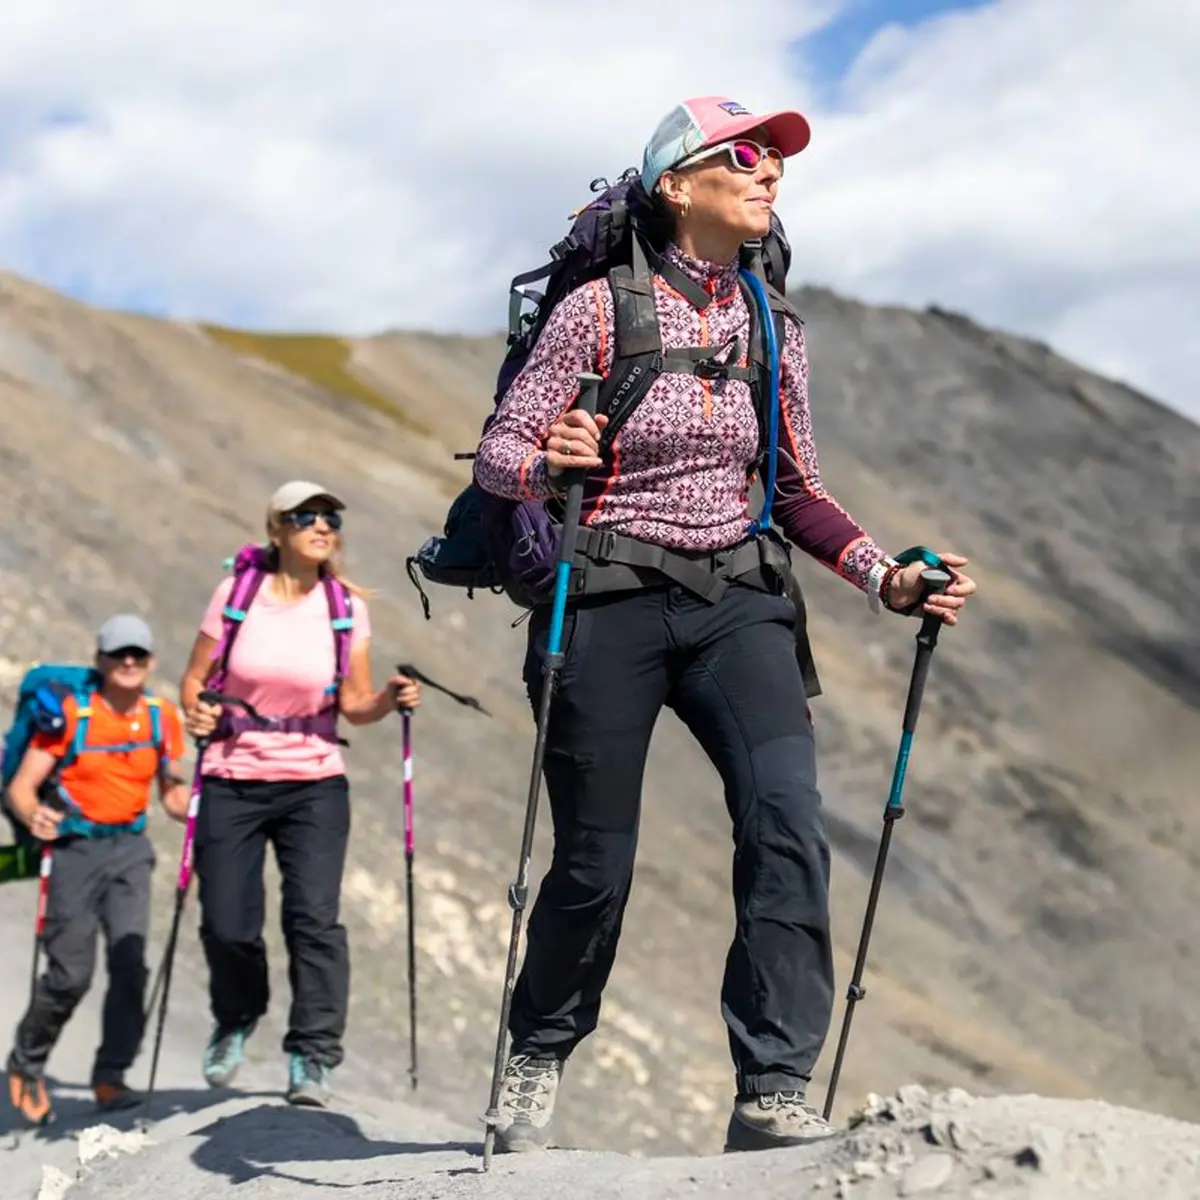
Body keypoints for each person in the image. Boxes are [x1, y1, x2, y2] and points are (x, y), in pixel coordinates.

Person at [472, 95, 978, 1154]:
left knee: (787, 823)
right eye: (743, 156)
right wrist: (549, 459)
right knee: (596, 862)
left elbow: (797, 488)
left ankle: (772, 1086)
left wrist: (888, 579)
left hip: (739, 602)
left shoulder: (773, 326)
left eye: (777, 161)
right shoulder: (596, 312)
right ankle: (537, 1048)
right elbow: (498, 454)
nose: (770, 173)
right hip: (604, 597)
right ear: (675, 183)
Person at [179, 480, 421, 1108]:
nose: (322, 525)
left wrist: (389, 700)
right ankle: (237, 1016)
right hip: (232, 775)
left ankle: (312, 1054)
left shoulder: (346, 608)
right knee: (228, 924)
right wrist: (197, 714)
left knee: (313, 919)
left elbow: (354, 705)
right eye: (306, 516)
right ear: (277, 529)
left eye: (331, 517)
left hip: (313, 780)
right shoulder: (235, 596)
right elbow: (192, 681)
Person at [4, 615, 189, 1125]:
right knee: (70, 974)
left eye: (138, 655)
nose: (129, 663)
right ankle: (26, 1061)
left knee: (130, 967)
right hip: (73, 851)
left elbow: (170, 790)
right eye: (118, 654)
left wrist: (198, 807)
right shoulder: (72, 714)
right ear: (101, 660)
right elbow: (22, 787)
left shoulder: (161, 717)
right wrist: (31, 814)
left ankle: (111, 1076)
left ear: (150, 661)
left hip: (130, 849)